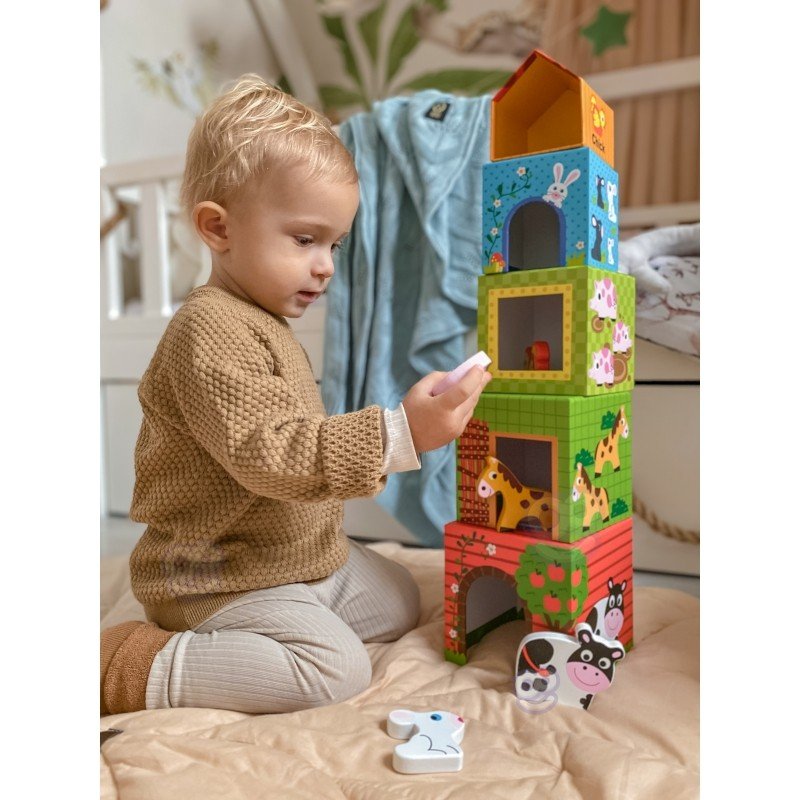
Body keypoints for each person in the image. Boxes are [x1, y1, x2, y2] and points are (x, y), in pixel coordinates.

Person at [100, 75, 492, 716]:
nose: (326, 264)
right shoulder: (208, 330)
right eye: (306, 240)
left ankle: (292, 609)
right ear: (218, 228)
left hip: (287, 554)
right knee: (334, 671)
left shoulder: (264, 321)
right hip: (213, 572)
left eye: (335, 244)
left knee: (399, 599)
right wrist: (401, 433)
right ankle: (128, 662)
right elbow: (274, 456)